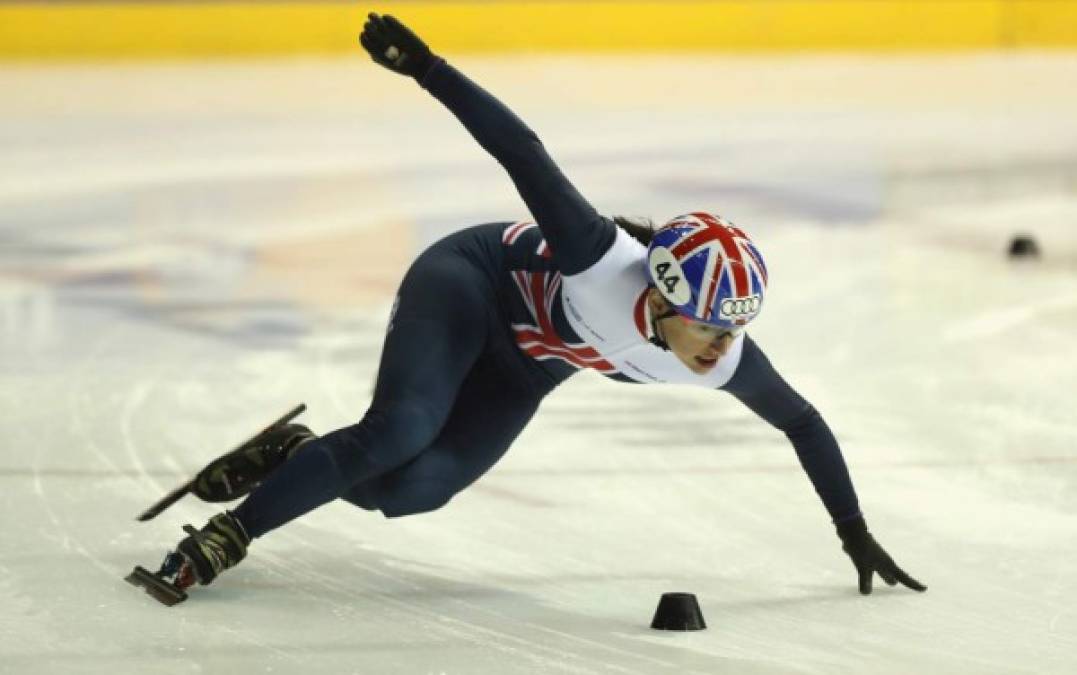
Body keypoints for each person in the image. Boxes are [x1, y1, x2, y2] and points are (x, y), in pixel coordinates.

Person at [156, 13, 926, 599]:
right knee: (402, 429)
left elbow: (801, 421)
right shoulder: (597, 258)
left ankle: (296, 454)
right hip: (469, 283)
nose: (718, 345)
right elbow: (521, 150)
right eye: (706, 322)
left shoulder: (721, 357)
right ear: (658, 291)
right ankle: (229, 533)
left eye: (733, 329)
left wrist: (852, 531)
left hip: (528, 364)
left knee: (412, 490)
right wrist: (427, 68)